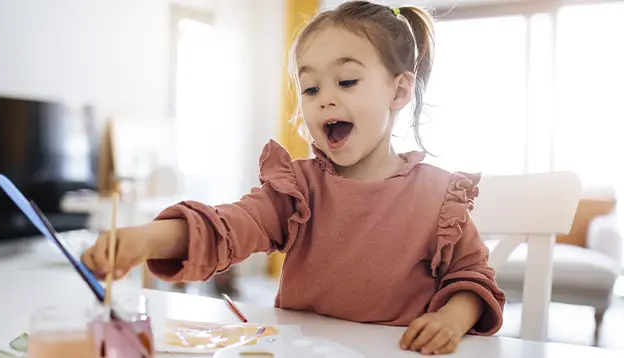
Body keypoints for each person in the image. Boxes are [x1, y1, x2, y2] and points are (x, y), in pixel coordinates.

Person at [82, 1, 506, 355]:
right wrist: (145, 239)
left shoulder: (439, 196)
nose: (326, 100)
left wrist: (451, 318)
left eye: (346, 81)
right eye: (310, 89)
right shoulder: (297, 189)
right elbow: (230, 226)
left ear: (398, 92)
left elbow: (472, 277)